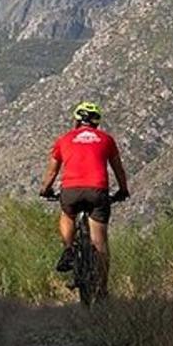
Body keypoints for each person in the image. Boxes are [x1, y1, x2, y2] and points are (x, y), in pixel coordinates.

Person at [39, 101, 130, 299]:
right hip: (98, 191)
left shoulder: (64, 140)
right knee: (100, 243)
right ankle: (103, 289)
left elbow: (52, 170)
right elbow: (118, 169)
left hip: (70, 190)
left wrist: (45, 189)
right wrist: (123, 190)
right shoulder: (106, 139)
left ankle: (69, 248)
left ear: (76, 120)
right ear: (97, 123)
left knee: (67, 213)